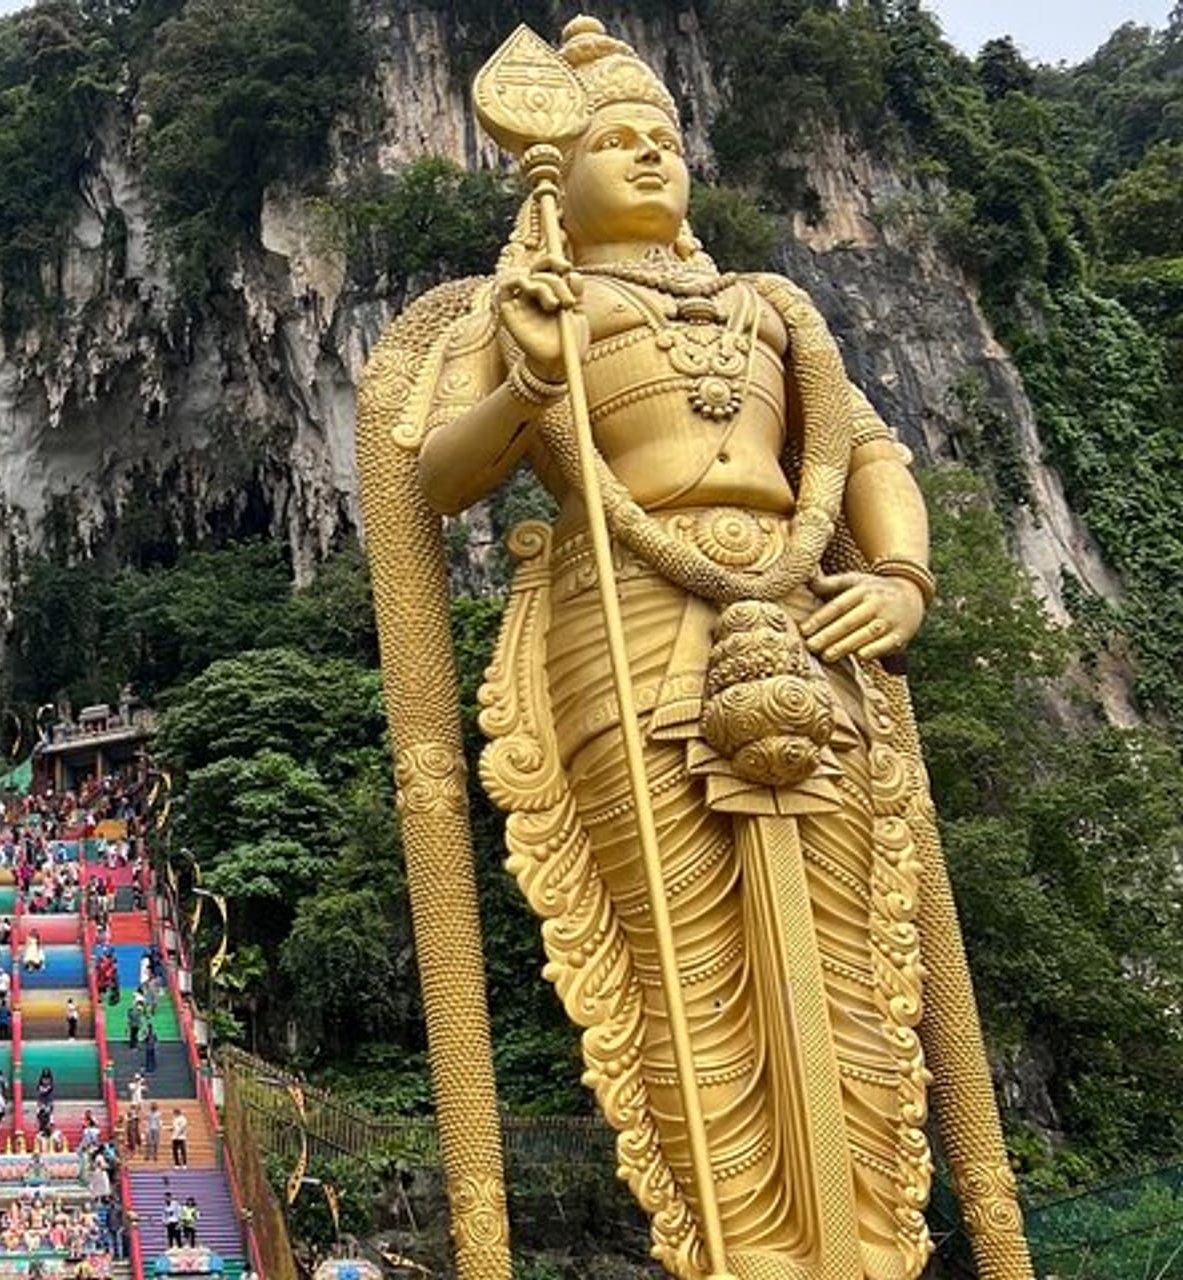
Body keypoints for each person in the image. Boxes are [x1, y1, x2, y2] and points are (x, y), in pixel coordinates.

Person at [366, 15, 1024, 1279]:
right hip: (624, 625)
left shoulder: (770, 308)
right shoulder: (535, 303)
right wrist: (528, 384)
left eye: (663, 135)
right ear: (554, 166)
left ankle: (872, 1243)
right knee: (680, 959)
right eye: (615, 138)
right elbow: (431, 475)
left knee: (856, 959)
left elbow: (866, 448)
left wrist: (900, 577)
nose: (648, 156)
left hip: (807, 618)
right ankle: (740, 1252)